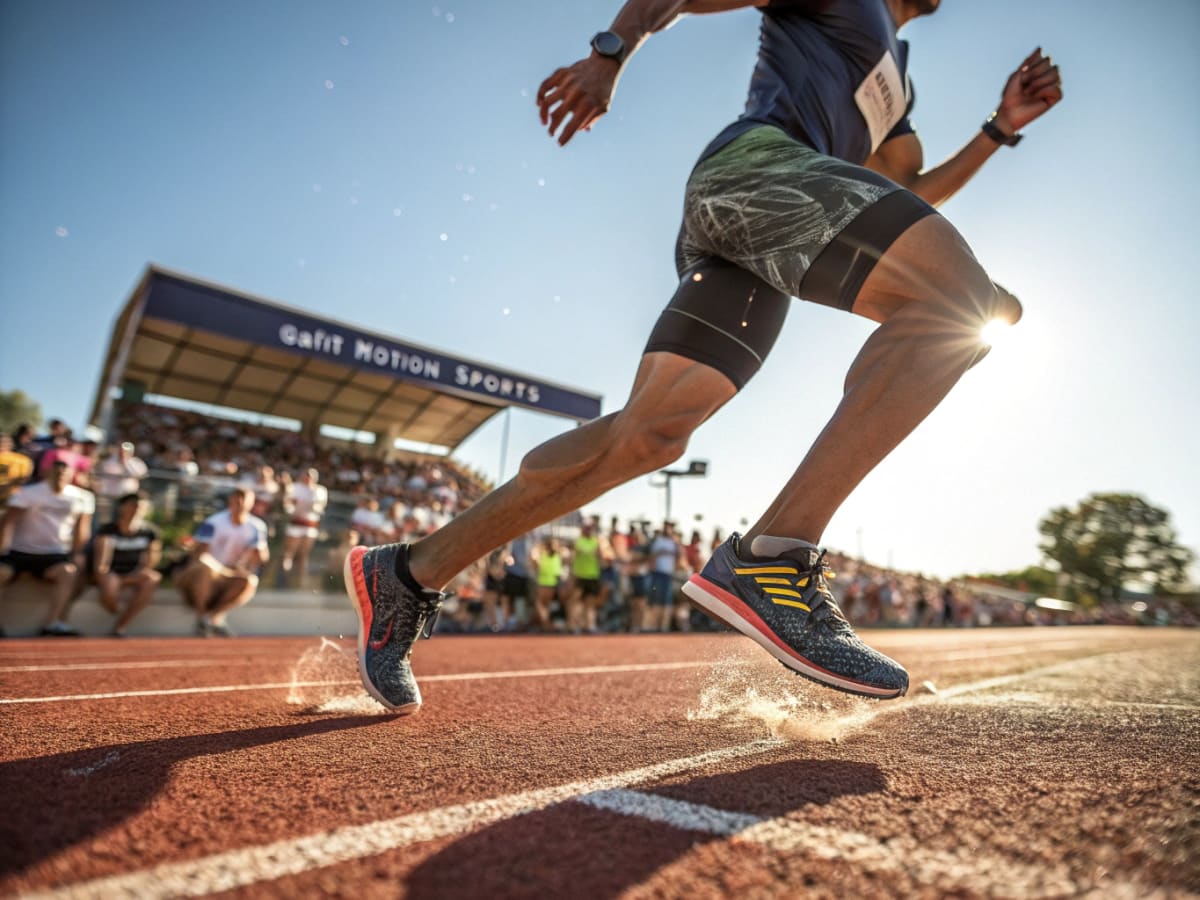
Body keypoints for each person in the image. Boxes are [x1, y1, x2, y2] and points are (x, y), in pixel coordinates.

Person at [344, 0, 1063, 712]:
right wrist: (610, 52)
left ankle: (407, 573)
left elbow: (905, 186)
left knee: (650, 435)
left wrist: (999, 130)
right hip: (755, 171)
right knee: (957, 303)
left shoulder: (898, 80)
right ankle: (776, 556)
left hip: (771, 221)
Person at [0, 459, 93, 635]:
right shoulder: (28, 493)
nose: (60, 475)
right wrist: (2, 549)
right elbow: (7, 522)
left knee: (69, 573)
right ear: (47, 473)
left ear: (71, 475)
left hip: (54, 555)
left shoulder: (83, 497)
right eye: (56, 471)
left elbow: (82, 530)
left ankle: (53, 623)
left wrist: (77, 554)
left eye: (64, 472)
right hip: (19, 552)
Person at [174, 486, 268, 636]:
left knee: (250, 581)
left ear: (252, 502)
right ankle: (202, 618)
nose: (240, 502)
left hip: (229, 574)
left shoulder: (257, 527)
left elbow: (261, 557)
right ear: (230, 501)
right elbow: (199, 555)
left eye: (244, 498)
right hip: (206, 573)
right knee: (205, 569)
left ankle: (213, 618)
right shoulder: (214, 522)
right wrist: (222, 569)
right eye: (236, 498)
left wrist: (250, 561)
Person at [86, 491, 162, 636]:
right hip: (111, 574)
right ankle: (117, 613)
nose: (136, 510)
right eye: (133, 505)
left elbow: (151, 561)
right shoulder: (107, 530)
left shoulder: (150, 532)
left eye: (140, 506)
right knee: (110, 585)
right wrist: (108, 578)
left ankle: (121, 626)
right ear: (122, 507)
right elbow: (101, 565)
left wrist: (140, 572)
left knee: (152, 579)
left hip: (133, 574)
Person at [280, 467, 328, 588]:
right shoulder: (295, 487)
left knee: (304, 555)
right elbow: (288, 504)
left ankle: (299, 581)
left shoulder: (320, 490)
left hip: (310, 525)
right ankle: (284, 579)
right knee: (289, 553)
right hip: (296, 522)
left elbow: (321, 507)